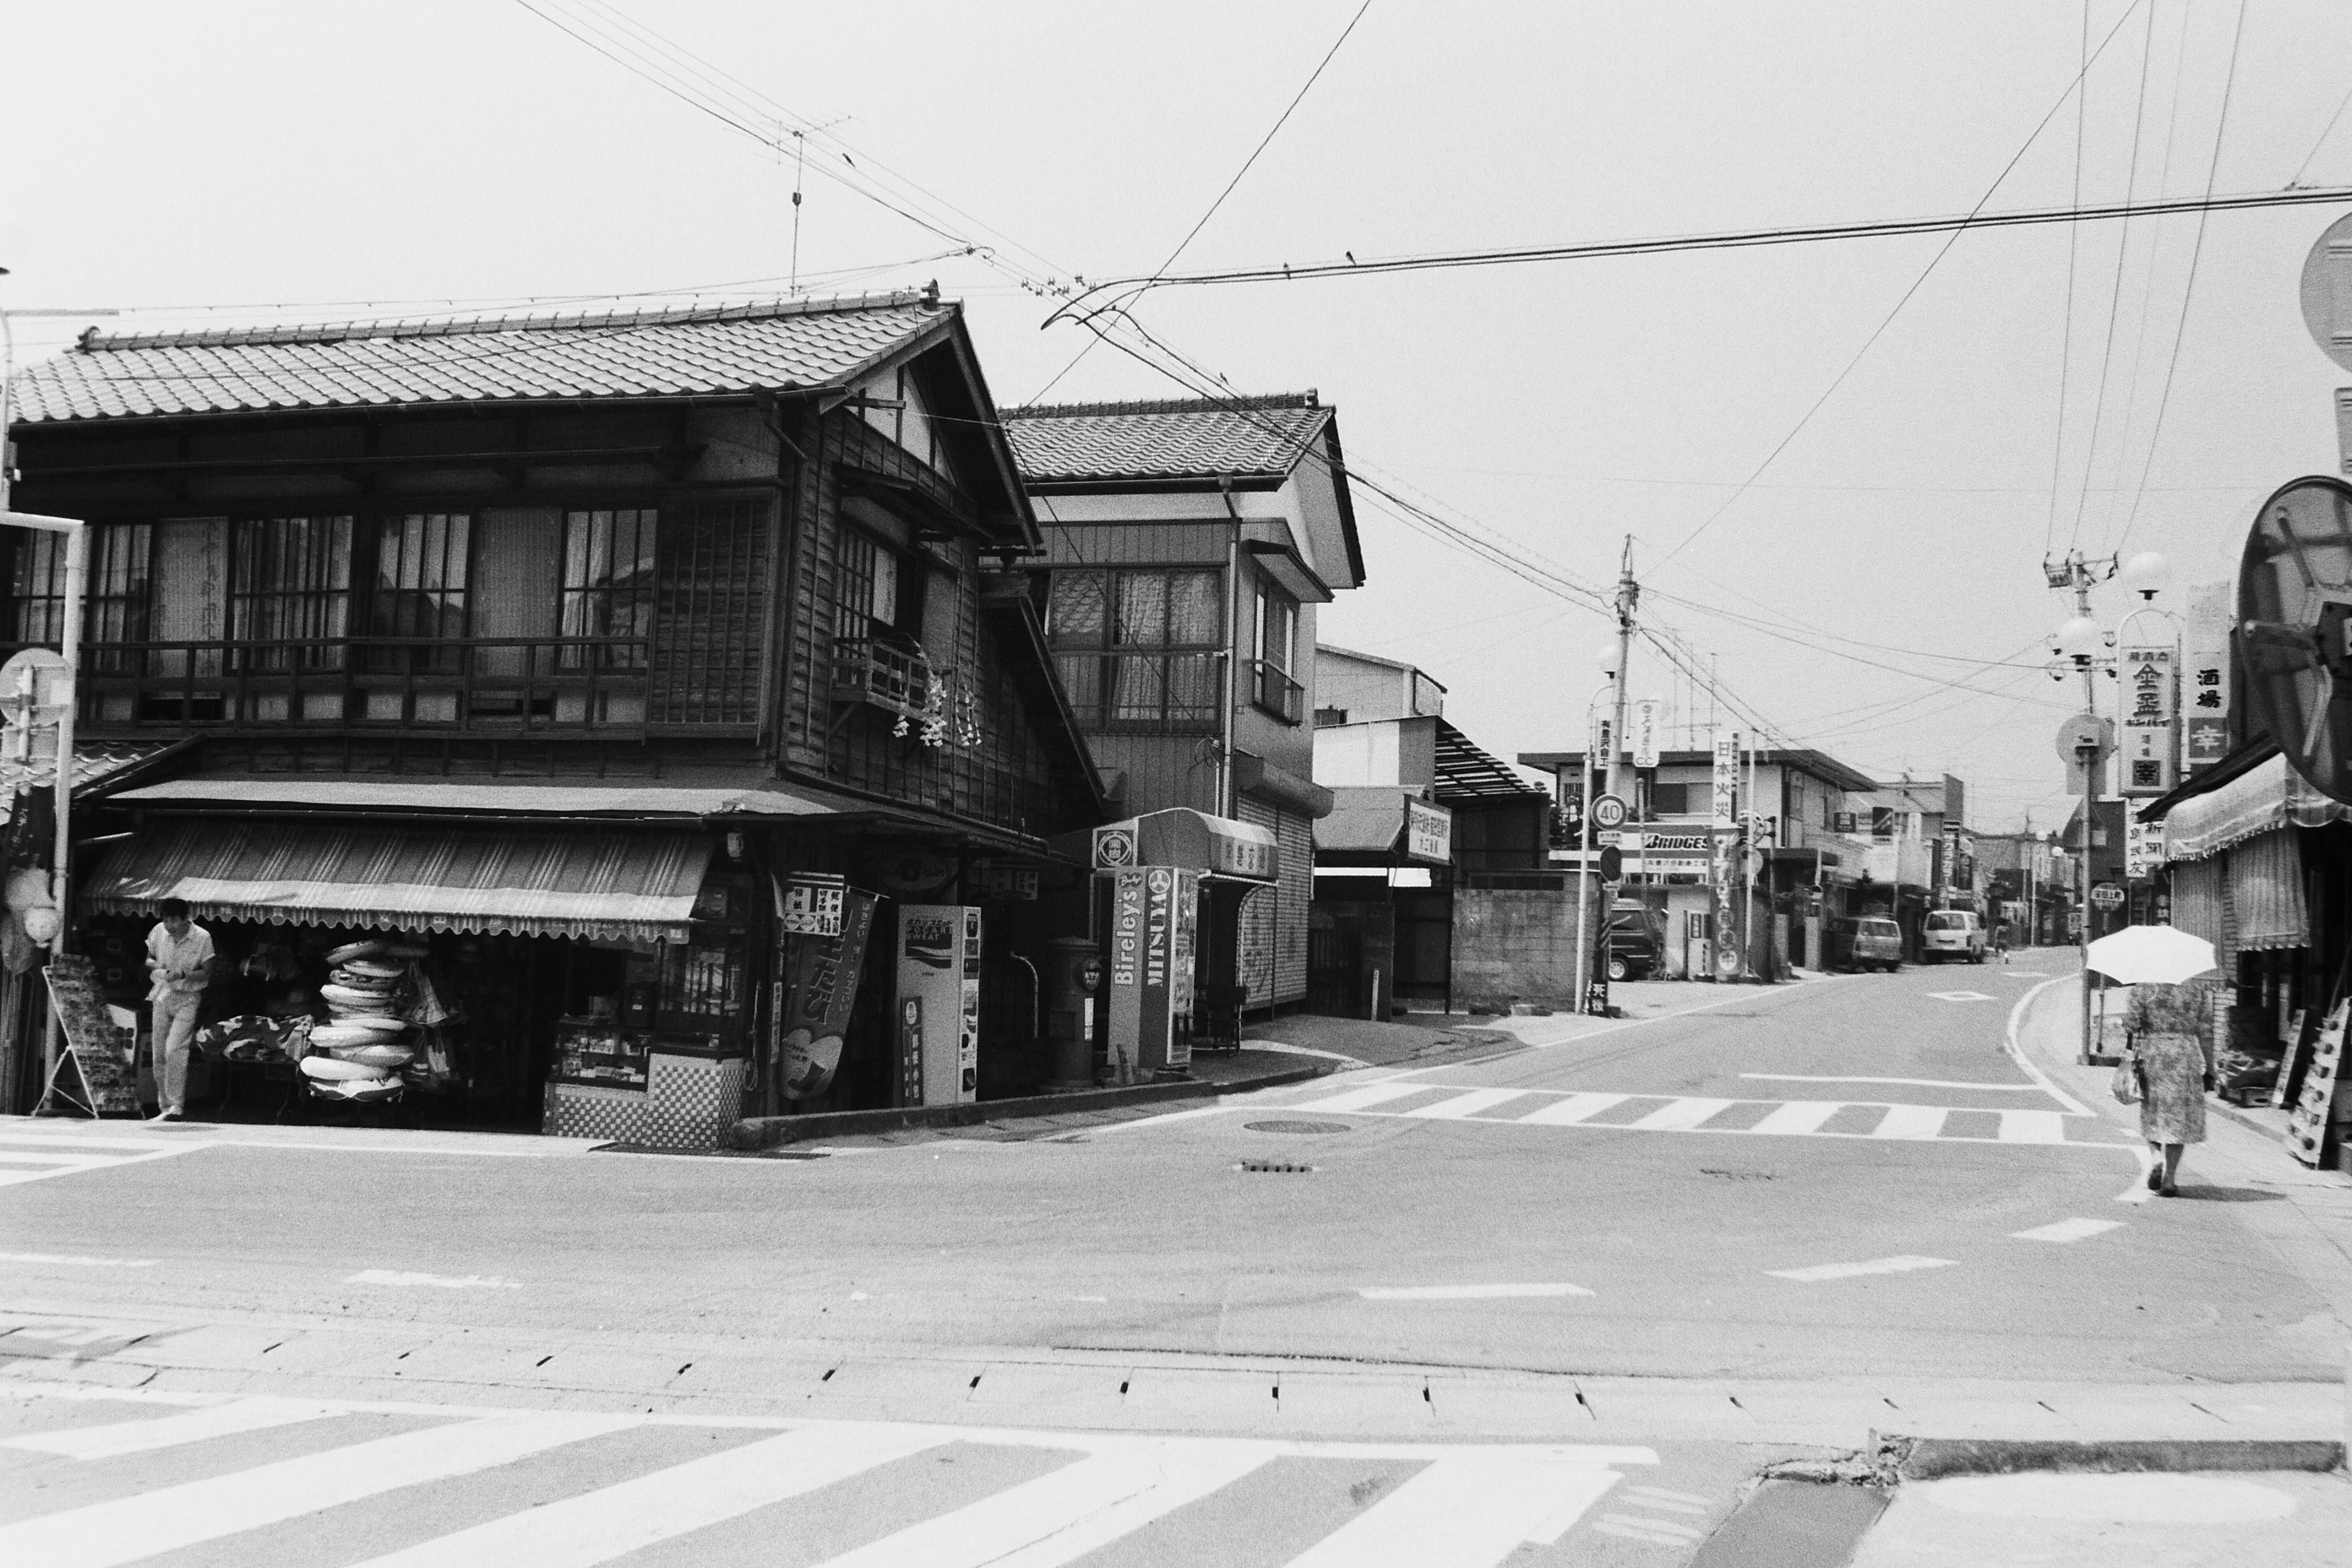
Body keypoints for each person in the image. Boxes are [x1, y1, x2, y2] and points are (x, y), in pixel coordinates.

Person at [2125, 979, 2215, 1196]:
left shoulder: (2144, 988)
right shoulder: (2197, 988)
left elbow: (2132, 1025)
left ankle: (2156, 1156)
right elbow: (2205, 1032)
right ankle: (2170, 1180)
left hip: (2153, 1055)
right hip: (2185, 1056)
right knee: (2179, 1120)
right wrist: (2211, 1067)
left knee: (2153, 1112)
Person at [144, 898, 214, 1121]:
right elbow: (149, 958)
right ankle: (164, 1106)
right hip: (162, 995)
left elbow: (207, 971)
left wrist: (183, 974)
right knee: (158, 1053)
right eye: (165, 920)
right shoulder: (158, 931)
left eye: (174, 920)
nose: (169, 925)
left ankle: (176, 1105)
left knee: (174, 1049)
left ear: (185, 919)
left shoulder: (202, 937)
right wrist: (157, 968)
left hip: (188, 997)